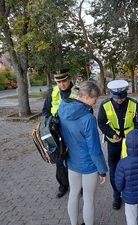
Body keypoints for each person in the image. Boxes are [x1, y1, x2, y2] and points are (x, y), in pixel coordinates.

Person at [58, 81, 108, 225]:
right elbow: (94, 149)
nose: (95, 102)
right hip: (88, 164)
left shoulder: (63, 108)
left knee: (73, 194)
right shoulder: (88, 119)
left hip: (72, 161)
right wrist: (102, 170)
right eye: (94, 98)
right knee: (88, 198)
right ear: (86, 96)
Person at [97, 79, 138, 210]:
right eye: (117, 98)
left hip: (130, 144)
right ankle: (116, 195)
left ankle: (129, 192)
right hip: (114, 143)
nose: (120, 100)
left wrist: (133, 136)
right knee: (114, 169)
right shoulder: (105, 105)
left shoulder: (133, 104)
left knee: (131, 168)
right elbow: (101, 123)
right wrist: (112, 134)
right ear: (112, 94)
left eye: (122, 98)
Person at [42, 68, 75, 198]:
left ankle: (80, 186)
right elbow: (45, 111)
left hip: (73, 132)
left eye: (64, 81)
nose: (62, 84)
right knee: (60, 160)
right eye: (59, 82)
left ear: (69, 79)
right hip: (58, 132)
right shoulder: (53, 92)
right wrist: (50, 122)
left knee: (76, 159)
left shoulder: (77, 92)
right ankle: (63, 186)